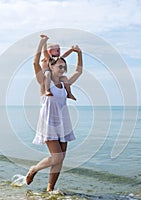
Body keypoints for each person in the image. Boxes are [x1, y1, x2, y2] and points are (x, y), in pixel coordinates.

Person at [26, 34, 82, 192]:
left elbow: (79, 71)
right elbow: (35, 62)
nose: (62, 68)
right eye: (59, 66)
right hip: (49, 122)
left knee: (61, 159)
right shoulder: (44, 81)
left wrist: (79, 53)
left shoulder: (65, 83)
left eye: (64, 66)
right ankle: (34, 169)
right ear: (51, 67)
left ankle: (50, 189)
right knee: (56, 157)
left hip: (63, 123)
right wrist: (42, 43)